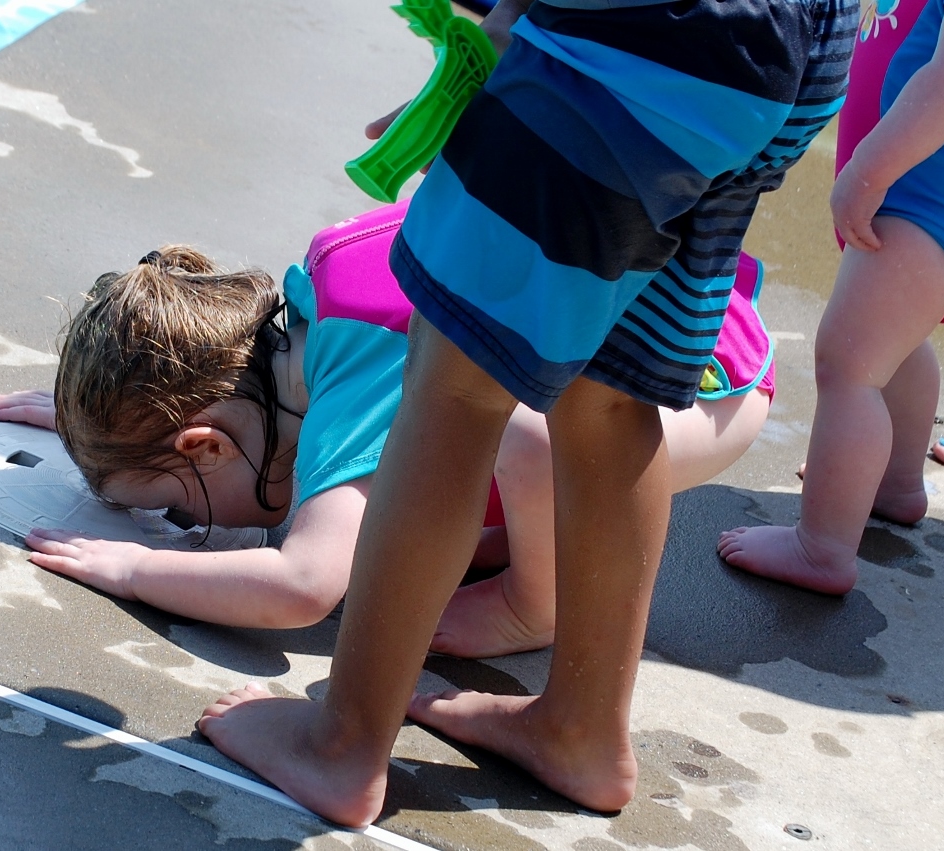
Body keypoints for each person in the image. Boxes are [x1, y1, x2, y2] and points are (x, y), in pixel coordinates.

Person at [196, 0, 854, 827]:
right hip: (781, 46)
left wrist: (511, 27)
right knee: (610, 393)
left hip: (630, 36)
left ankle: (343, 744)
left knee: (453, 385)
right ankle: (581, 727)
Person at [0, 201, 775, 652]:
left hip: (693, 385)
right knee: (459, 458)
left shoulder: (352, 383)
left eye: (176, 507)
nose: (185, 525)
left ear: (206, 442)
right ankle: (508, 531)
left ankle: (533, 603)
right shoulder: (313, 313)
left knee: (526, 440)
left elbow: (303, 586)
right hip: (668, 312)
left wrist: (133, 568)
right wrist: (108, 424)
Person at [719, 0, 944, 591]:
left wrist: (870, 173)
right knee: (892, 344)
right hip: (929, 177)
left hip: (930, 186)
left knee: (850, 365)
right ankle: (894, 483)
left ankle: (821, 547)